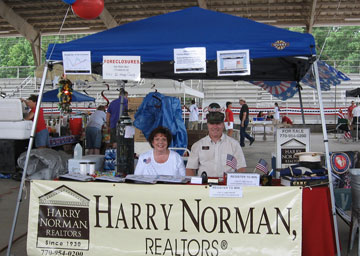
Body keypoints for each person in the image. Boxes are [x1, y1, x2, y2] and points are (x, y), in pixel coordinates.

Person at [186, 103, 246, 177]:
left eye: (218, 123)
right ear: (207, 124)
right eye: (211, 123)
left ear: (223, 124)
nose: (215, 126)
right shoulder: (197, 145)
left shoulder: (234, 144)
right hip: (204, 186)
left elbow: (241, 168)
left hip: (226, 186)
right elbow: (190, 169)